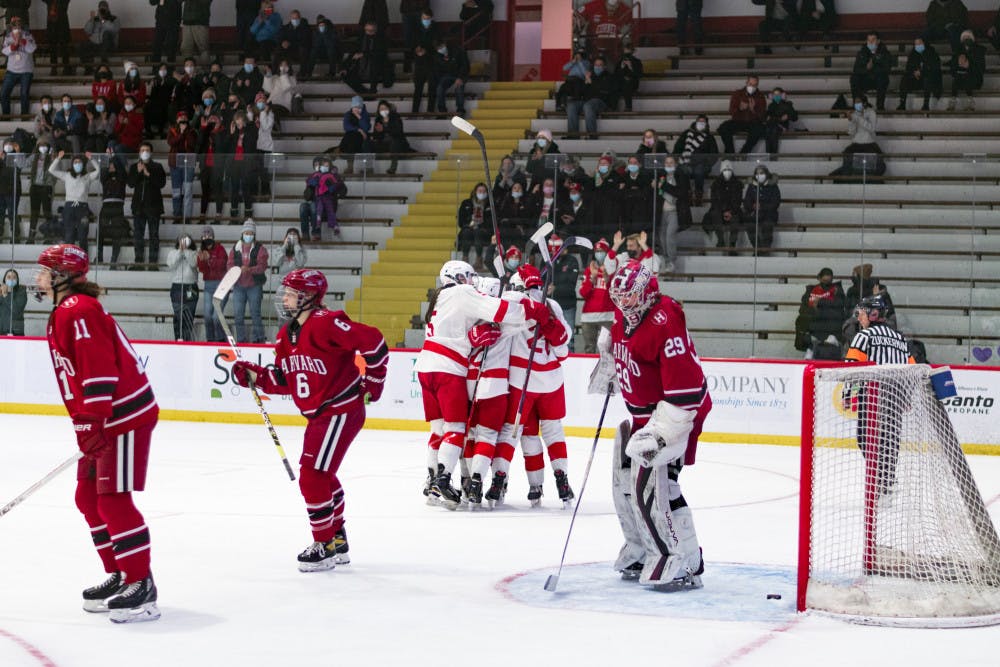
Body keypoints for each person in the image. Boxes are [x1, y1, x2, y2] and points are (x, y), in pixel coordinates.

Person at [33, 243, 161, 622]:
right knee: (87, 497)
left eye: (44, 271)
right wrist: (87, 422)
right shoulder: (66, 311)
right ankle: (120, 572)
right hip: (104, 418)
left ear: (60, 276)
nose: (38, 278)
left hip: (123, 416)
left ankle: (141, 584)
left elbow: (99, 370)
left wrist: (93, 421)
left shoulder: (78, 311)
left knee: (112, 500)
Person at [231, 269, 387, 570]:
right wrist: (252, 374)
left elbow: (375, 343)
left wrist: (374, 384)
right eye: (285, 292)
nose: (284, 298)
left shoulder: (327, 323)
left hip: (341, 409)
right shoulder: (286, 335)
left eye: (291, 293)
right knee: (322, 475)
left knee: (312, 475)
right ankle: (336, 539)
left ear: (310, 297)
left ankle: (325, 544)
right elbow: (285, 379)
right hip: (321, 415)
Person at [602, 260, 711, 586]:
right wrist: (610, 363)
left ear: (648, 292)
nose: (623, 304)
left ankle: (686, 560)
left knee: (662, 485)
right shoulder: (624, 316)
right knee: (625, 485)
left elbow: (687, 392)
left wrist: (662, 434)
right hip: (641, 416)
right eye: (618, 298)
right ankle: (641, 547)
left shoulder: (665, 320)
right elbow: (627, 351)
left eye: (630, 297)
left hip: (675, 415)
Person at [415, 259, 551, 508]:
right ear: (458, 277)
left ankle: (432, 479)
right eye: (468, 276)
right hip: (448, 369)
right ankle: (443, 479)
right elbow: (499, 311)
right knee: (456, 429)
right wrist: (530, 309)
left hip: (424, 367)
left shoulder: (440, 299)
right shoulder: (461, 292)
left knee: (439, 431)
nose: (471, 281)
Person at [490, 264, 575, 507]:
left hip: (521, 380)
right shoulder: (552, 304)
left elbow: (501, 327)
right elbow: (563, 345)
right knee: (553, 431)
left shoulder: (515, 304)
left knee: (514, 431)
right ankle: (561, 477)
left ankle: (501, 479)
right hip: (551, 381)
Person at [843, 294, 915, 497]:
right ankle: (887, 483)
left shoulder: (863, 336)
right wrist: (906, 396)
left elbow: (853, 368)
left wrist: (848, 394)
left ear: (873, 314)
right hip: (896, 395)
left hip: (873, 395)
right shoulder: (900, 338)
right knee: (890, 439)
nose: (859, 317)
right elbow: (911, 368)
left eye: (862, 313)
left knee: (867, 439)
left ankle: (879, 480)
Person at [227, 219, 269, 343]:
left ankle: (259, 338)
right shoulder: (236, 248)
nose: (248, 235)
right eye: (247, 233)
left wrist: (249, 269)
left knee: (255, 313)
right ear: (243, 233)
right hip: (239, 286)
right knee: (238, 315)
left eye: (251, 233)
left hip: (254, 285)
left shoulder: (260, 248)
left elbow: (262, 266)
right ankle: (241, 339)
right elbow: (229, 264)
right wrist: (237, 270)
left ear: (254, 235)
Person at [127, 143, 167, 270]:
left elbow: (161, 183)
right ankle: (138, 261)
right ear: (139, 152)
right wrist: (139, 172)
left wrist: (147, 173)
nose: (144, 152)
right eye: (142, 150)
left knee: (153, 235)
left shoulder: (157, 166)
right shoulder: (134, 167)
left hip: (153, 206)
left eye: (147, 150)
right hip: (138, 206)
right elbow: (131, 184)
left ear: (151, 152)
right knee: (138, 235)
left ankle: (152, 263)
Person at [48, 151, 100, 249]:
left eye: (79, 162)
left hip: (83, 208)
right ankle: (69, 262)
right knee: (69, 236)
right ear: (72, 164)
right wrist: (58, 158)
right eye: (75, 162)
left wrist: (92, 159)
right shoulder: (67, 175)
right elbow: (51, 170)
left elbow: (98, 171)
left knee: (82, 236)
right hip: (69, 208)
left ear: (83, 164)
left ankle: (83, 262)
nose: (77, 164)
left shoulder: (87, 176)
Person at [796, 267, 847, 358]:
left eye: (828, 280)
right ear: (819, 278)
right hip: (815, 324)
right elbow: (804, 307)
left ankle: (820, 346)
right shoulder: (811, 290)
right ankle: (811, 348)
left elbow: (840, 305)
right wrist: (817, 308)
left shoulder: (836, 289)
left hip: (831, 325)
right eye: (823, 280)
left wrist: (819, 302)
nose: (826, 284)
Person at [654, 155, 692, 276]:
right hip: (662, 212)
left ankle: (671, 261)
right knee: (662, 237)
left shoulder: (681, 176)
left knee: (670, 235)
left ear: (675, 164)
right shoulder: (661, 176)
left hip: (675, 211)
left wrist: (664, 186)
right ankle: (665, 260)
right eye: (666, 162)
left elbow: (680, 192)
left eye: (671, 162)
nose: (668, 165)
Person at [672, 114, 719, 206]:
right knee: (682, 170)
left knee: (699, 170)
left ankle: (698, 196)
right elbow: (677, 149)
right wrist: (677, 159)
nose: (701, 123)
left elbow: (714, 154)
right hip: (686, 162)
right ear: (695, 122)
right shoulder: (686, 134)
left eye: (703, 122)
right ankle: (687, 195)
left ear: (706, 124)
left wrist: (707, 164)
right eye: (699, 121)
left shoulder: (709, 137)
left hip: (702, 165)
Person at [566, 55, 617, 138]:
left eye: (600, 65)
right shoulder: (590, 75)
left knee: (588, 105)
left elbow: (605, 91)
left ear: (604, 67)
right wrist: (586, 82)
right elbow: (581, 93)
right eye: (596, 65)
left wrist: (591, 82)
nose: (597, 67)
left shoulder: (609, 77)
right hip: (586, 101)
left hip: (601, 102)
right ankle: (573, 135)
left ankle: (592, 135)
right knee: (571, 105)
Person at [578, 238, 614, 354]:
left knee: (608, 350)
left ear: (607, 252)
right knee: (589, 349)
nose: (599, 253)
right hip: (589, 317)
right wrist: (592, 279)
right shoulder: (589, 270)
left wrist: (608, 280)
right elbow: (583, 293)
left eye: (601, 251)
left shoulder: (613, 270)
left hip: (607, 316)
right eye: (597, 251)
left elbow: (615, 295)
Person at [224, 111, 259, 222]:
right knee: (234, 188)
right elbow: (227, 146)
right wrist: (231, 133)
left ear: (244, 120)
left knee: (245, 188)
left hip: (246, 164)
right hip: (235, 164)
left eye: (239, 120)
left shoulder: (251, 129)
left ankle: (248, 216)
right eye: (236, 121)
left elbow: (252, 144)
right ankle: (234, 216)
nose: (238, 123)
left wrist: (244, 137)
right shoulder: (234, 132)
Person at [718, 75, 767, 154]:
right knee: (723, 128)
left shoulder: (760, 96)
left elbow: (763, 116)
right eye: (750, 84)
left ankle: (744, 153)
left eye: (755, 85)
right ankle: (730, 153)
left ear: (757, 85)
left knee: (759, 129)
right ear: (746, 83)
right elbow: (731, 111)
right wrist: (740, 108)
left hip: (753, 122)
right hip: (738, 121)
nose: (752, 87)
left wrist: (753, 110)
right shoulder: (737, 94)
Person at [96, 153, 129, 268]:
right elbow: (102, 173)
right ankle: (98, 256)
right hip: (106, 205)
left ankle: (113, 260)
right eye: (110, 165)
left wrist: (114, 158)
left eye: (113, 165)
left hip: (118, 205)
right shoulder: (105, 178)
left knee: (117, 233)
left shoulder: (122, 177)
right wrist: (107, 159)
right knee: (99, 231)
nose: (111, 167)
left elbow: (123, 173)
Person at [549, 234, 580, 351]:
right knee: (551, 334)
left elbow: (571, 285)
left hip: (567, 305)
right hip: (551, 305)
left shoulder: (572, 260)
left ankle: (570, 357)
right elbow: (543, 281)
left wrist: (556, 287)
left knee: (569, 336)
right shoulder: (547, 261)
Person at [196, 226, 228, 342]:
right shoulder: (202, 251)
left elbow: (223, 265)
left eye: (209, 236)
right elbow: (202, 269)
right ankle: (210, 339)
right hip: (208, 285)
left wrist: (210, 259)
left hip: (221, 285)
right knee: (207, 315)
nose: (206, 238)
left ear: (213, 237)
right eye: (204, 236)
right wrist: (202, 260)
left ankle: (220, 339)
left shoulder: (220, 249)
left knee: (216, 316)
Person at [739, 164, 781, 252]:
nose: (759, 175)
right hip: (755, 213)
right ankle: (757, 249)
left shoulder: (773, 186)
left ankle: (766, 249)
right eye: (757, 173)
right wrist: (752, 206)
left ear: (766, 174)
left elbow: (775, 202)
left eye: (761, 173)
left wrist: (762, 206)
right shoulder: (752, 186)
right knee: (749, 225)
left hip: (769, 213)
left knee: (767, 225)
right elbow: (747, 201)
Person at [702, 160, 742, 249]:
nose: (727, 172)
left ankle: (732, 245)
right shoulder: (715, 184)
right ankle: (721, 240)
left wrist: (730, 212)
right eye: (724, 170)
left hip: (733, 211)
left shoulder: (738, 184)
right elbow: (714, 201)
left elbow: (737, 201)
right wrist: (723, 212)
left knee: (736, 218)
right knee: (715, 214)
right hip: (719, 211)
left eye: (729, 170)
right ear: (721, 171)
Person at [1, 17, 36, 116]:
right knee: (3, 94)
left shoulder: (28, 35)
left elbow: (32, 48)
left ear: (21, 26)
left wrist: (22, 41)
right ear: (11, 26)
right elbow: (4, 51)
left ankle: (24, 116)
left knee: (24, 94)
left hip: (26, 71)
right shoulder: (8, 37)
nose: (17, 27)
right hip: (11, 71)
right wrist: (14, 45)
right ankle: (6, 116)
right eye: (14, 25)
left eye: (18, 25)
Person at [850, 31, 893, 111]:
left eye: (873, 40)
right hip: (866, 79)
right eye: (869, 40)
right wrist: (867, 69)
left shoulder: (885, 53)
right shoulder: (862, 53)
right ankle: (859, 103)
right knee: (854, 78)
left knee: (882, 78)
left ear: (878, 41)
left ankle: (880, 106)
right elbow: (856, 69)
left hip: (879, 79)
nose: (870, 42)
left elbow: (887, 69)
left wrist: (873, 68)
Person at [167, 111, 199, 221]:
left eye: (185, 118)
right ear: (177, 120)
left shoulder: (192, 131)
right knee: (176, 191)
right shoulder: (172, 130)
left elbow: (192, 144)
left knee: (188, 189)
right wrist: (181, 133)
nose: (182, 120)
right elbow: (171, 142)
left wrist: (186, 132)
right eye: (180, 118)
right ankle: (177, 215)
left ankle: (187, 216)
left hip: (188, 160)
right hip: (175, 162)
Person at [166, 233, 198, 340]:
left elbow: (193, 263)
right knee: (178, 315)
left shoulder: (194, 253)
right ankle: (178, 338)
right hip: (177, 287)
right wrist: (180, 251)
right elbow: (171, 265)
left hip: (191, 287)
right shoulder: (172, 253)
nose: (183, 242)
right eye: (181, 240)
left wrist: (186, 251)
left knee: (189, 316)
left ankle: (187, 339)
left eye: (185, 240)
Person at [344, 21, 390, 95]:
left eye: (370, 31)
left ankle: (372, 90)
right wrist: (344, 67)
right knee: (345, 75)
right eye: (366, 30)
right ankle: (365, 93)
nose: (368, 33)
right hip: (361, 67)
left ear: (375, 31)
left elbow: (380, 54)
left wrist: (364, 54)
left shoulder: (381, 39)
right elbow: (353, 53)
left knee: (375, 64)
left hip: (376, 68)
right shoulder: (361, 38)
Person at [898, 37, 942, 111]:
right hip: (916, 79)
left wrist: (922, 72)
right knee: (905, 79)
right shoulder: (913, 54)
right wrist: (914, 73)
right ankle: (902, 104)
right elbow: (908, 68)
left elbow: (935, 69)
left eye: (919, 43)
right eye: (916, 44)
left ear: (924, 44)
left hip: (930, 80)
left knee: (927, 79)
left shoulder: (932, 53)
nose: (917, 45)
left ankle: (926, 105)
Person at [307, 157, 347, 239]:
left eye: (320, 164)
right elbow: (307, 196)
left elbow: (343, 190)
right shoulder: (314, 177)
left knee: (316, 208)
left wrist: (334, 187)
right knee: (307, 207)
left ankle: (324, 229)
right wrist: (311, 187)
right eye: (316, 165)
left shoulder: (334, 176)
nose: (318, 166)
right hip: (318, 201)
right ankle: (311, 232)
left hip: (329, 202)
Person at [457, 182, 493, 270]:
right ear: (475, 192)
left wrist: (481, 224)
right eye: (480, 191)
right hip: (469, 228)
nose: (482, 193)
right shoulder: (466, 203)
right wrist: (469, 223)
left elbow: (492, 221)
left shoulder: (490, 205)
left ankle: (479, 259)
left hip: (484, 231)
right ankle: (465, 258)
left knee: (478, 232)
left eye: (484, 191)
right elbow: (460, 221)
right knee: (466, 232)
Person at [27, 139, 56, 244]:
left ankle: (49, 236)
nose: (42, 147)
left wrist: (53, 158)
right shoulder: (34, 156)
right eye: (40, 145)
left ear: (48, 146)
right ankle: (31, 237)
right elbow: (23, 164)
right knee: (34, 212)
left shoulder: (51, 157)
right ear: (37, 146)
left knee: (47, 212)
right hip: (35, 187)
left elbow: (56, 169)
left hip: (46, 187)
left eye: (45, 145)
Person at [371, 99, 412, 175]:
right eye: (381, 109)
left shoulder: (395, 117)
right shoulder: (378, 119)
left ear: (389, 109)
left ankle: (393, 167)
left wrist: (385, 128)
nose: (383, 110)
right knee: (368, 143)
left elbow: (398, 132)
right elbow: (376, 136)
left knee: (394, 141)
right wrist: (379, 132)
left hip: (397, 143)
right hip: (384, 144)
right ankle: (368, 168)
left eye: (385, 108)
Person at [78, 1, 120, 73]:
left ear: (108, 9)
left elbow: (114, 30)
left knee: (106, 34)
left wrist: (103, 20)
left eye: (104, 8)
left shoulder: (114, 18)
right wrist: (92, 20)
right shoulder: (95, 19)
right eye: (101, 8)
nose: (103, 10)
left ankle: (103, 65)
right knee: (81, 46)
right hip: (96, 44)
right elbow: (87, 31)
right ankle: (88, 68)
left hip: (109, 45)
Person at [948, 29, 986, 111]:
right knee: (959, 75)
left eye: (968, 37)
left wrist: (969, 66)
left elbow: (982, 68)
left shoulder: (979, 50)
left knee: (966, 75)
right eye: (964, 37)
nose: (966, 39)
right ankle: (953, 100)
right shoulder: (957, 51)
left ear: (973, 38)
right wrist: (958, 65)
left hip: (974, 79)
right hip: (959, 79)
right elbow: (952, 69)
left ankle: (970, 102)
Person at [433, 40, 469, 117]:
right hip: (447, 75)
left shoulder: (457, 50)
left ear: (444, 44)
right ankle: (442, 111)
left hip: (460, 74)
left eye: (441, 47)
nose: (440, 49)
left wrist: (460, 77)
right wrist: (440, 79)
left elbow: (465, 65)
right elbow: (437, 70)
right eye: (438, 48)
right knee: (439, 88)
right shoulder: (437, 56)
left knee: (459, 88)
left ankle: (460, 110)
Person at [340, 95, 371, 175]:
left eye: (359, 107)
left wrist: (359, 117)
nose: (357, 109)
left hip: (362, 138)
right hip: (351, 137)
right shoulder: (348, 114)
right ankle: (350, 167)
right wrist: (358, 129)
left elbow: (366, 127)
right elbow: (346, 126)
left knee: (355, 139)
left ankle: (366, 168)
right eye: (355, 107)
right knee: (350, 138)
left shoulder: (365, 115)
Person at [764, 87, 799, 155]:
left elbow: (795, 117)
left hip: (782, 126)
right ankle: (768, 155)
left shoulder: (787, 104)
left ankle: (773, 156)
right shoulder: (771, 105)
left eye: (778, 94)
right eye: (775, 94)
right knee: (768, 130)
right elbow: (768, 117)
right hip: (772, 125)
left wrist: (788, 116)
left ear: (782, 95)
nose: (776, 96)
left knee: (773, 130)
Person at [302, 15, 339, 81]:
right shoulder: (315, 31)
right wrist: (320, 34)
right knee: (313, 51)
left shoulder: (331, 30)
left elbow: (333, 44)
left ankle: (332, 73)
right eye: (319, 24)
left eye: (323, 24)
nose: (321, 26)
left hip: (328, 50)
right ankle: (308, 72)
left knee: (331, 50)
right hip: (319, 51)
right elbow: (315, 44)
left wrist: (324, 34)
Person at [150, 0, 182, 66]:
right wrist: (159, 1)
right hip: (160, 20)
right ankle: (155, 70)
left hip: (174, 21)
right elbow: (152, 2)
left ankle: (171, 70)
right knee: (157, 45)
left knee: (172, 46)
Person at [44, 0, 73, 75]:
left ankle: (66, 67)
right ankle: (54, 67)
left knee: (64, 46)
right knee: (52, 46)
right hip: (52, 25)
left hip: (62, 24)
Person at [180, 0, 212, 65]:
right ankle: (188, 71)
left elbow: (206, 2)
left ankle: (206, 71)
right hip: (187, 21)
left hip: (200, 21)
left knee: (203, 49)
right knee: (186, 49)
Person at [615, 41, 644, 112]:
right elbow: (615, 75)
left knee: (627, 82)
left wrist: (631, 67)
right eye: (625, 50)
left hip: (632, 83)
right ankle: (612, 107)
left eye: (628, 50)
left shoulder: (637, 61)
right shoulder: (620, 61)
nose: (626, 52)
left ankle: (628, 107)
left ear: (632, 51)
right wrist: (621, 67)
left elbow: (640, 75)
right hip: (621, 83)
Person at [0, 268, 27, 335]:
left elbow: (16, 309)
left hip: (16, 331)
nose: (11, 279)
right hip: (1, 330)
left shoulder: (22, 291)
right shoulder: (1, 291)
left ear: (17, 280)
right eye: (8, 277)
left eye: (14, 277)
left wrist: (6, 295)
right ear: (4, 279)